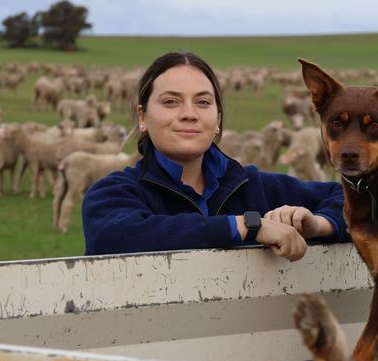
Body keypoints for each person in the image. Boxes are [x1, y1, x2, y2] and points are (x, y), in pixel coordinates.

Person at [82, 51, 350, 261]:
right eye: (170, 102)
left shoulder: (251, 186)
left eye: (203, 102)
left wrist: (319, 224)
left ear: (217, 120)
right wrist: (247, 226)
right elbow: (117, 237)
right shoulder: (111, 194)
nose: (189, 114)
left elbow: (363, 202)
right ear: (142, 117)